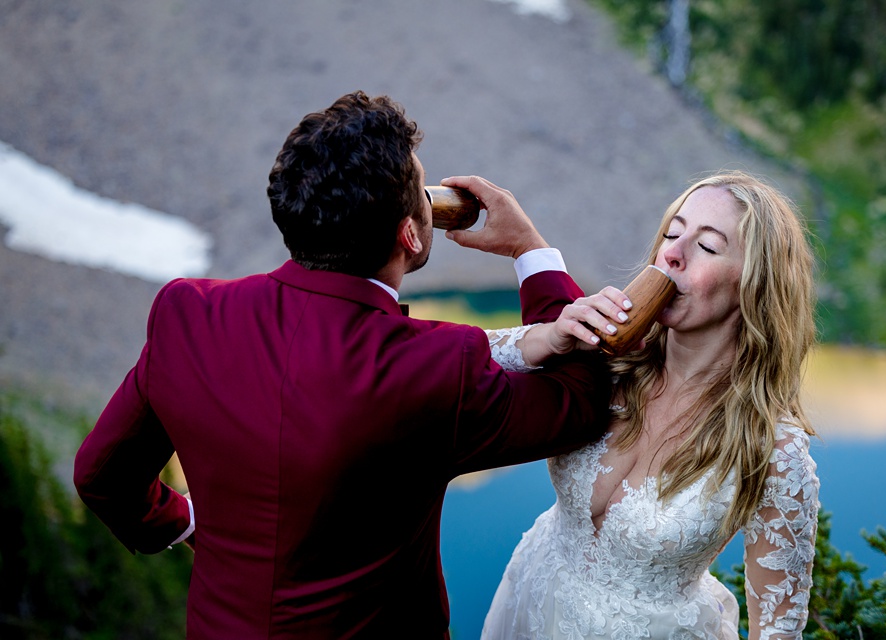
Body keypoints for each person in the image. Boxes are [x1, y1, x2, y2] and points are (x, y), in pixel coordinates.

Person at [73, 91, 612, 638]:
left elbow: (102, 477)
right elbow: (581, 402)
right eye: (422, 191)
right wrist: (530, 250)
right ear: (409, 233)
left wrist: (189, 520)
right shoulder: (436, 366)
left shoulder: (188, 314)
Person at [465, 171, 820, 639]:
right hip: (530, 600)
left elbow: (779, 631)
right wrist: (551, 337)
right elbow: (460, 366)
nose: (672, 253)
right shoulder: (609, 363)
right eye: (673, 233)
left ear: (754, 285)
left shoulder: (773, 448)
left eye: (708, 247)